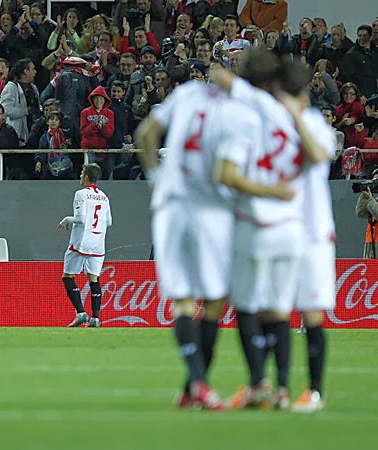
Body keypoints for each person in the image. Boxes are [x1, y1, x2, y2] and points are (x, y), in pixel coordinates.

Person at [135, 74, 293, 410]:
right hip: (209, 210)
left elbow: (145, 133)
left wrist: (155, 179)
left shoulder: (187, 93)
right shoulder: (241, 114)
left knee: (182, 302)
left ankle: (193, 387)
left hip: (168, 204)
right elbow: (226, 172)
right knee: (213, 302)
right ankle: (199, 384)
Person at [211, 51, 329, 409]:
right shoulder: (302, 120)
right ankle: (278, 388)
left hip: (274, 225)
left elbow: (223, 78)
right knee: (278, 310)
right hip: (296, 226)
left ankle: (273, 385)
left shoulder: (260, 116)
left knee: (257, 308)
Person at [277, 69, 337, 413]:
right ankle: (279, 387)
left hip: (313, 233)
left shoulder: (315, 124)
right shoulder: (271, 130)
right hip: (279, 230)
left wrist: (297, 120)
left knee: (312, 313)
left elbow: (318, 155)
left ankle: (314, 392)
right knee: (276, 311)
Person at [57, 163, 112, 329]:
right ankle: (95, 317)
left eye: (82, 173)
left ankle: (81, 313)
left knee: (68, 277)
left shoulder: (81, 194)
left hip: (81, 242)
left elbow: (80, 218)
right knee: (93, 279)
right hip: (98, 244)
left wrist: (66, 219)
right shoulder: (104, 196)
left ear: (86, 176)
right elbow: (108, 222)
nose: (80, 176)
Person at [355, 168, 378, 258]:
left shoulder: (372, 200)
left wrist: (370, 199)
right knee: (370, 271)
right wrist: (364, 195)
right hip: (371, 241)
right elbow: (360, 212)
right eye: (374, 180)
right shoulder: (374, 200)